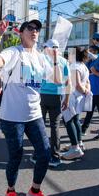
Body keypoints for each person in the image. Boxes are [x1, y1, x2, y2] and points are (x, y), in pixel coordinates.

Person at [0, 19, 63, 196]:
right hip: (12, 116)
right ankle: (11, 191)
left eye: (37, 29)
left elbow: (56, 79)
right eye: (30, 28)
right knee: (16, 156)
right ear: (21, 33)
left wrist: (55, 59)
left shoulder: (40, 57)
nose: (35, 32)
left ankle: (34, 191)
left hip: (34, 115)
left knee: (45, 153)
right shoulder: (14, 52)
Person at [38, 39, 70, 167]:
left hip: (41, 96)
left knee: (39, 126)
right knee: (54, 127)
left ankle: (39, 154)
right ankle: (55, 157)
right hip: (57, 96)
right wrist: (67, 99)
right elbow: (68, 83)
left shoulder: (42, 59)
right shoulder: (64, 61)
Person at [61, 47, 90, 160]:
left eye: (70, 53)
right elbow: (87, 82)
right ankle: (79, 143)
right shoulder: (84, 66)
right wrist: (86, 91)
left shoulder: (74, 66)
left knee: (69, 121)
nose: (68, 55)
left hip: (71, 97)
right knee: (76, 120)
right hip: (79, 97)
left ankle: (75, 147)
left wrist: (83, 91)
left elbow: (77, 84)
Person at [81, 45, 99, 141]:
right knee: (89, 112)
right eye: (88, 51)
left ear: (96, 52)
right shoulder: (90, 62)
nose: (89, 53)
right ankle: (83, 130)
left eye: (91, 51)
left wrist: (96, 73)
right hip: (91, 92)